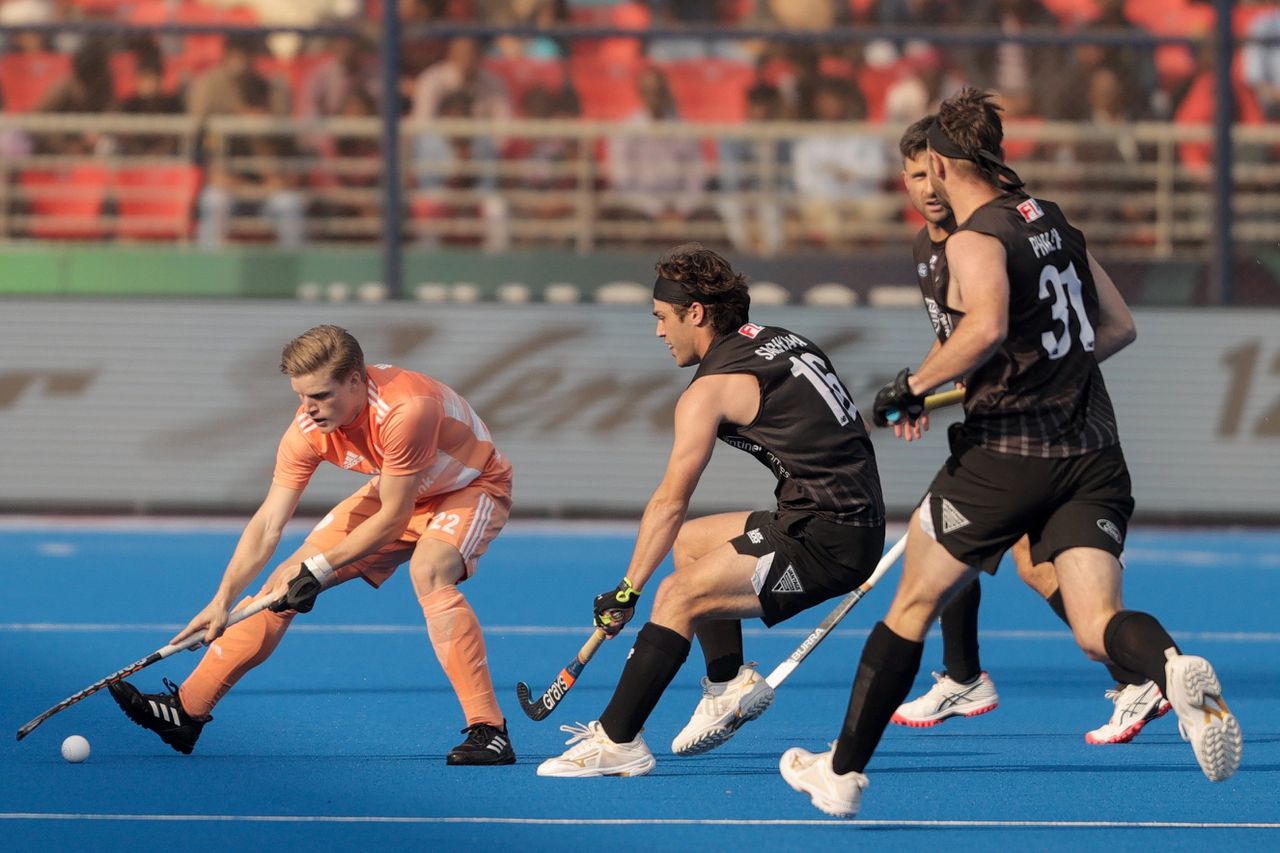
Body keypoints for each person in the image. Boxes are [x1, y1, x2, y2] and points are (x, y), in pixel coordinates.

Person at [780, 87, 1242, 819]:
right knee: (1096, 624)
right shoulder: (1051, 221)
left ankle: (840, 774)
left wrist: (911, 386)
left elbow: (987, 325)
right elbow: (1115, 328)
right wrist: (1045, 367)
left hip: (1007, 456)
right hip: (1092, 451)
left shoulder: (974, 237)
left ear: (938, 160)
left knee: (910, 605)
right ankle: (1172, 670)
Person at [537, 244, 886, 777]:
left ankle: (617, 741)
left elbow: (670, 498)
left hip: (831, 537)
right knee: (691, 544)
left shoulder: (709, 390)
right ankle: (727, 685)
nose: (658, 332)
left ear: (695, 313)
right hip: (827, 515)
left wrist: (628, 590)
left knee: (677, 595)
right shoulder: (781, 341)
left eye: (661, 318)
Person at [108, 325, 518, 766]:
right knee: (279, 588)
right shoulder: (307, 427)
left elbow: (394, 518)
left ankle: (489, 731)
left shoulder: (406, 410)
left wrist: (318, 569)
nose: (310, 409)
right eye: (302, 396)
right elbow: (268, 523)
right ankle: (186, 711)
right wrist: (221, 599)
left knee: (428, 571)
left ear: (357, 380)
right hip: (400, 491)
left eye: (321, 396)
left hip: (470, 486)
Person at [889, 115, 1169, 745]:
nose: (926, 188)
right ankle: (1133, 672)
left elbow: (1005, 334)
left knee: (954, 537)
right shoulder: (929, 249)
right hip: (1017, 429)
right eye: (910, 176)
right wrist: (939, 391)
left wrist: (918, 387)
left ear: (949, 166)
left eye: (928, 170)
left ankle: (976, 679)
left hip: (1041, 438)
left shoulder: (993, 233)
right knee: (1017, 563)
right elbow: (965, 343)